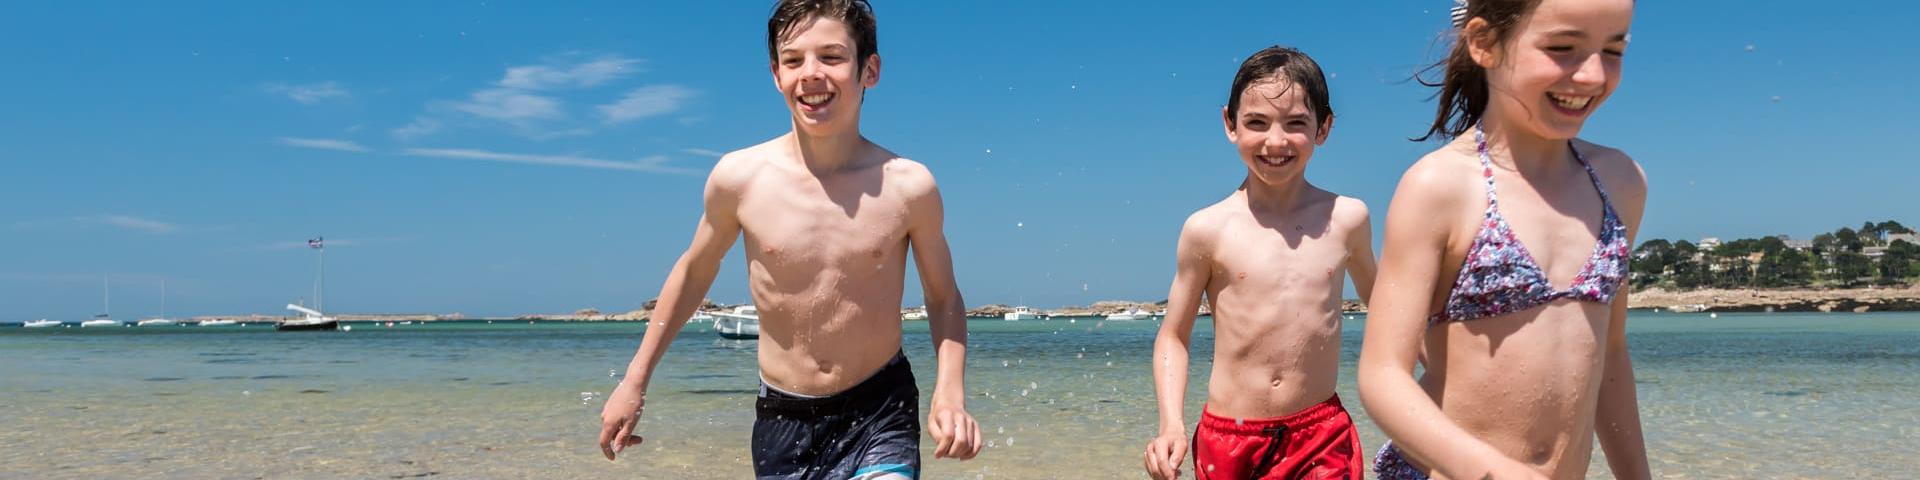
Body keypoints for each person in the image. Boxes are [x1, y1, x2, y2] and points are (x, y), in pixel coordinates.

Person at [596, 1, 981, 478]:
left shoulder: (908, 187)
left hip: (880, 408)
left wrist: (950, 392)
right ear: (776, 75)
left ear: (870, 70)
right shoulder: (740, 179)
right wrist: (634, 382)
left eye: (832, 57)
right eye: (794, 60)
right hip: (783, 418)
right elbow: (695, 272)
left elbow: (943, 297)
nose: (811, 73)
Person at [1355, 0, 1651, 478]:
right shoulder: (1440, 187)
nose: (1593, 75)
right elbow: (1382, 376)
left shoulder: (1621, 182)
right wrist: (1490, 471)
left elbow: (1610, 356)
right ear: (1484, 43)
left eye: (1613, 50)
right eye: (1563, 47)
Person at [1143, 46, 1378, 480]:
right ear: (1229, 124)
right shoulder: (1207, 229)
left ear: (1324, 127)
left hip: (1321, 435)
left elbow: (1388, 313)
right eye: (1256, 122)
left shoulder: (1347, 219)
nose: (1275, 141)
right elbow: (1174, 336)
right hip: (1230, 438)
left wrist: (1442, 381)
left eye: (1296, 123)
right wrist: (1171, 424)